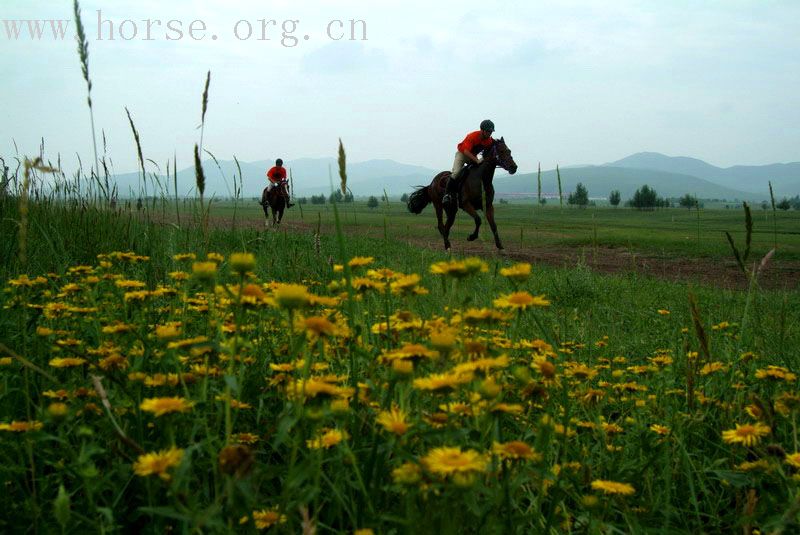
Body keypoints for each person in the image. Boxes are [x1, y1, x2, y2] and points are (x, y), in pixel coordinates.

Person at [442, 120, 495, 206]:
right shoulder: (472, 136)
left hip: (473, 156)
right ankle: (447, 195)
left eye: (491, 132)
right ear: (482, 130)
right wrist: (477, 160)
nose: (489, 134)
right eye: (488, 131)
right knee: (456, 172)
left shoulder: (489, 140)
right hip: (462, 154)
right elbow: (466, 151)